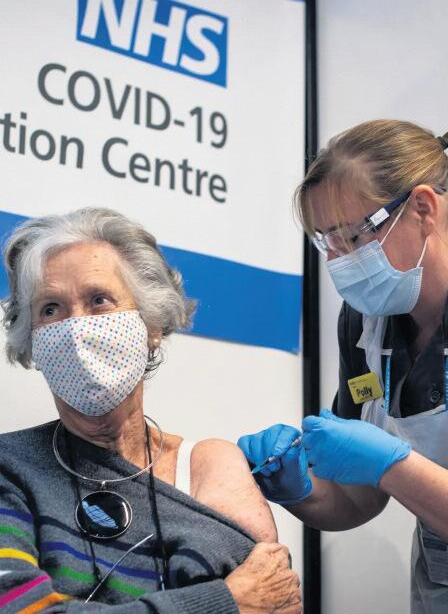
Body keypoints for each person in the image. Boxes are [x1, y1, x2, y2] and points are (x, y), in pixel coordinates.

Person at [0, 208, 301, 612]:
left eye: (99, 300)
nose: (75, 329)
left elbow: (272, 602)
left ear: (152, 326)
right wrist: (222, 602)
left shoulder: (207, 468)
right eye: (50, 308)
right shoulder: (10, 468)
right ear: (33, 340)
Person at [238, 119, 448, 614]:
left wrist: (392, 464)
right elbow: (359, 498)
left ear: (422, 209)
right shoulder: (366, 324)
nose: (340, 261)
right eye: (327, 242)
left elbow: (385, 469)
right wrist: (302, 489)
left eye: (354, 236)